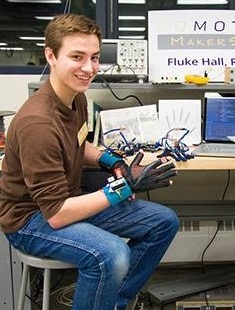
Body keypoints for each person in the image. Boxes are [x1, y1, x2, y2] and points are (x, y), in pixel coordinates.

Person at [0, 14, 179, 310]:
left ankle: (112, 303)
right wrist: (123, 187)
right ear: (51, 56)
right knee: (111, 255)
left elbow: (78, 144)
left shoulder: (75, 98)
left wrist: (113, 162)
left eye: (94, 57)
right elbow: (56, 215)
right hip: (29, 219)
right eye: (77, 57)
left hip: (65, 201)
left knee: (163, 222)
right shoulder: (38, 124)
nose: (88, 68)